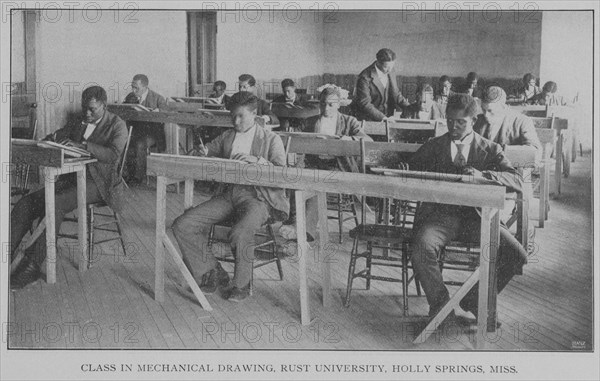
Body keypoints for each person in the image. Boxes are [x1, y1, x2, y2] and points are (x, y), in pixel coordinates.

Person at [406, 93, 528, 323]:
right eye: (449, 120)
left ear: (474, 120)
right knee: (422, 246)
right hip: (441, 218)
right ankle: (441, 307)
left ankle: (474, 299)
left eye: (461, 122)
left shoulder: (490, 149)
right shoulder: (433, 146)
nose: (453, 126)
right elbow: (409, 166)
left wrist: (484, 176)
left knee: (516, 254)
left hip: (478, 218)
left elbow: (518, 180)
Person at [172, 92, 289, 302]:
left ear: (254, 114)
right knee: (183, 224)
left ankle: (242, 284)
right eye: (232, 116)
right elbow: (208, 151)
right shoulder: (227, 136)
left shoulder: (271, 139)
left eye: (240, 116)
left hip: (258, 197)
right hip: (228, 195)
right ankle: (211, 270)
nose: (235, 121)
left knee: (241, 231)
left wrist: (258, 160)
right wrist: (204, 150)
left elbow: (282, 172)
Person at [10, 86, 128, 289]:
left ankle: (32, 265)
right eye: (86, 109)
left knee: (54, 203)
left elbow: (113, 155)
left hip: (101, 183)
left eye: (93, 109)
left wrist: (85, 146)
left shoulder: (117, 124)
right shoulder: (80, 120)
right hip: (72, 179)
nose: (88, 113)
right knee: (26, 203)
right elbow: (59, 135)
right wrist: (50, 141)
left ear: (104, 106)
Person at [279, 86, 372, 242]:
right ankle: (296, 224)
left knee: (316, 184)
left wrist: (349, 139)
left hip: (339, 167)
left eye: (330, 104)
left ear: (339, 105)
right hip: (314, 164)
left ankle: (303, 230)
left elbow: (368, 140)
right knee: (295, 179)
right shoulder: (310, 121)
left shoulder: (349, 121)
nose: (326, 108)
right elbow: (297, 138)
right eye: (322, 104)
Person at [123, 74, 167, 183]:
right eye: (132, 87)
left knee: (139, 144)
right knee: (124, 142)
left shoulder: (158, 99)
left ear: (145, 86)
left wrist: (157, 113)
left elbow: (166, 115)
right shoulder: (130, 97)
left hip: (153, 134)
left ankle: (138, 177)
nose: (133, 90)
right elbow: (124, 110)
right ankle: (128, 174)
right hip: (136, 132)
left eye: (136, 88)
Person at [475, 86, 541, 151]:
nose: (486, 115)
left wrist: (504, 149)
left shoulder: (522, 121)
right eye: (483, 109)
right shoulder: (478, 120)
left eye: (490, 111)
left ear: (503, 107)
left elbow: (535, 149)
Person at [352, 48, 410, 121]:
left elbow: (396, 93)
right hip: (369, 119)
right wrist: (383, 118)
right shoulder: (364, 77)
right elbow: (365, 103)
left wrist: (410, 107)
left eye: (391, 66)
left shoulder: (391, 70)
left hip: (388, 117)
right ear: (378, 62)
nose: (389, 70)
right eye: (386, 67)